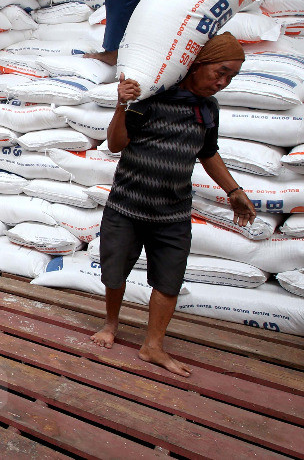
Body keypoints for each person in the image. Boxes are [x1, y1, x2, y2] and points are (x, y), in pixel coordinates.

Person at [90, 33, 256, 377]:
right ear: (196, 65)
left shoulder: (207, 109)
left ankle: (152, 346)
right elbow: (116, 143)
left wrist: (233, 189)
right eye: (219, 72)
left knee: (168, 281)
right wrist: (122, 103)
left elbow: (208, 152)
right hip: (127, 205)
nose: (222, 82)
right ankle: (110, 324)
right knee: (115, 272)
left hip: (173, 213)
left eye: (230, 78)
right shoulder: (150, 97)